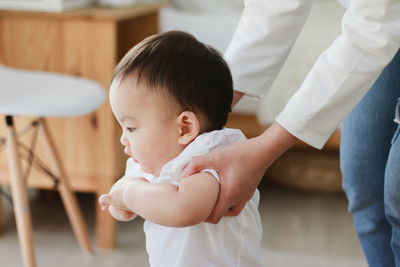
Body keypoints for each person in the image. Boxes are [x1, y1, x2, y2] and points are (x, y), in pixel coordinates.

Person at [181, 0, 400, 266]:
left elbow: (374, 28)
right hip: (381, 20)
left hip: (379, 20)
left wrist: (266, 149)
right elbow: (275, 7)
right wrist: (211, 110)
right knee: (365, 182)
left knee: (397, 189)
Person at [98, 31, 263, 267]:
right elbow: (123, 198)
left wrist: (129, 194)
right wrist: (119, 202)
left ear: (184, 128)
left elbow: (184, 208)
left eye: (131, 128)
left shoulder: (214, 158)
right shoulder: (149, 160)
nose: (124, 139)